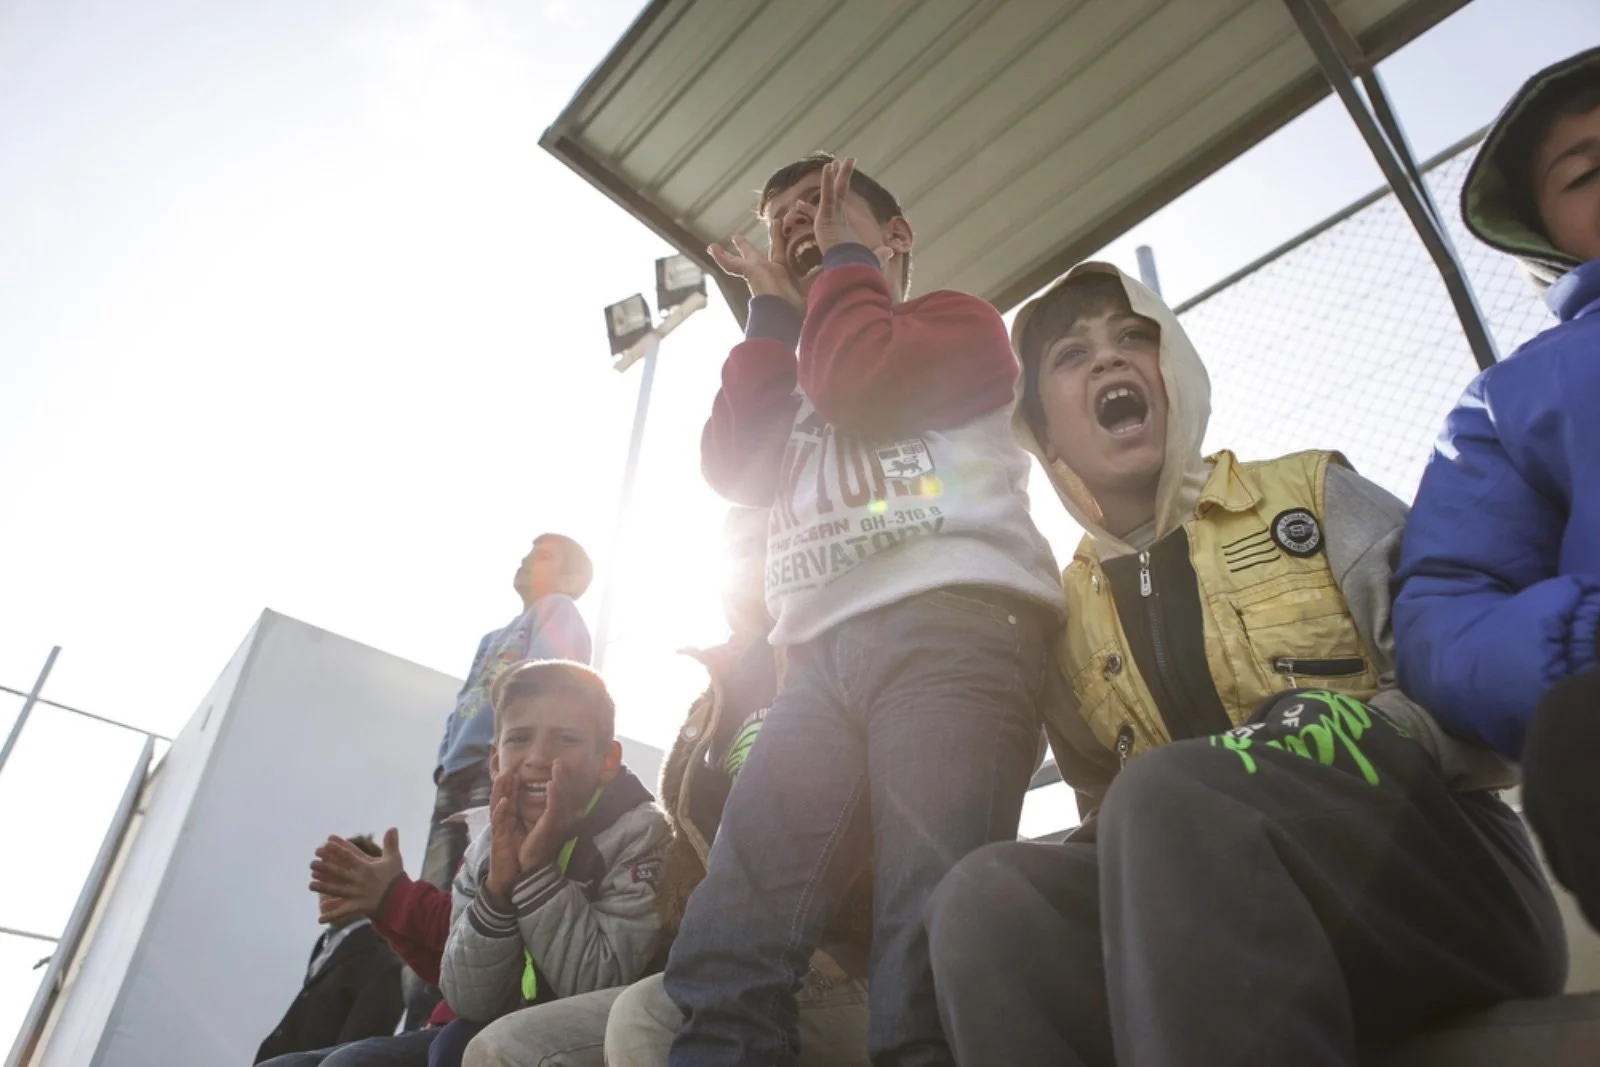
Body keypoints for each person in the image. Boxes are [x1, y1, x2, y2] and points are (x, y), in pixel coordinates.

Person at [922, 262, 1567, 1067]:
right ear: (1041, 432)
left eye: (1133, 337)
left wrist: (1330, 735)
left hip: (1444, 883)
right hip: (1206, 943)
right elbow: (1112, 818)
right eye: (1072, 354)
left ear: (1175, 373)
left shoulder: (1315, 493)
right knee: (983, 901)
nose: (1111, 360)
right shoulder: (1061, 618)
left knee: (1167, 793)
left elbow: (1484, 714)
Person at [668, 154, 1063, 1067]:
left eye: (824, 204)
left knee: (924, 940)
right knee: (726, 940)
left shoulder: (958, 321)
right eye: (781, 220)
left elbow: (856, 380)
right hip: (816, 664)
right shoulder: (800, 362)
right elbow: (735, 464)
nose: (799, 224)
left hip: (954, 631)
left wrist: (842, 260)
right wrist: (769, 310)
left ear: (896, 234)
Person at [1393, 45, 1600, 932]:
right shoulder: (1511, 397)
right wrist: (1580, 637)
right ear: (1548, 233)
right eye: (1588, 171)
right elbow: (1445, 609)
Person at [437, 660, 668, 1066]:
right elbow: (468, 999)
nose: (538, 758)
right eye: (520, 739)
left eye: (566, 739)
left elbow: (596, 986)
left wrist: (537, 873)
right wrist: (496, 894)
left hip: (597, 1036)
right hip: (503, 1016)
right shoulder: (489, 842)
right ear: (494, 762)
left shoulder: (642, 834)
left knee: (468, 1049)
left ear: (608, 760)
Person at [413, 535, 594, 1024]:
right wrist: (443, 762)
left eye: (544, 554)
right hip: (459, 769)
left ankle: (447, 1012)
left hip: (495, 772)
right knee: (439, 885)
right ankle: (424, 1007)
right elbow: (463, 706)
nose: (526, 558)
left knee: (466, 889)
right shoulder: (493, 638)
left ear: (573, 578)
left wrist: (511, 761)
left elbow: (550, 685)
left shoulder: (557, 611)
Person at [256, 830, 459, 1067]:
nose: (325, 889)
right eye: (324, 876)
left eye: (340, 875)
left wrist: (393, 897)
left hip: (453, 1032)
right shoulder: (326, 946)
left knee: (347, 1061)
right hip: (441, 1026)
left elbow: (363, 1032)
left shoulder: (380, 959)